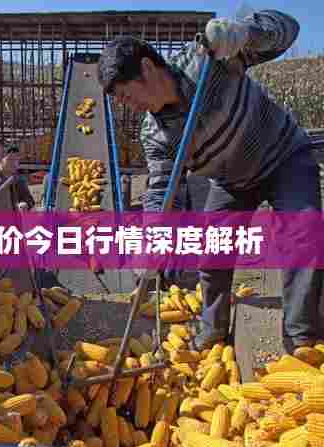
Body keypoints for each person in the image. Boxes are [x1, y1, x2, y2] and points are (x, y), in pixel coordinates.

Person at [97, 9, 322, 354]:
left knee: (302, 234)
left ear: (146, 68)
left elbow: (288, 29)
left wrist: (245, 33)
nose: (127, 105)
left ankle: (300, 338)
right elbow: (162, 191)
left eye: (125, 94)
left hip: (283, 156)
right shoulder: (155, 134)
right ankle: (213, 330)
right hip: (232, 180)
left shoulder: (207, 61)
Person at [0, 144, 36, 212]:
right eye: (10, 159)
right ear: (0, 160)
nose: (14, 163)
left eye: (16, 159)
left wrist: (26, 204)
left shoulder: (19, 180)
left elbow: (30, 201)